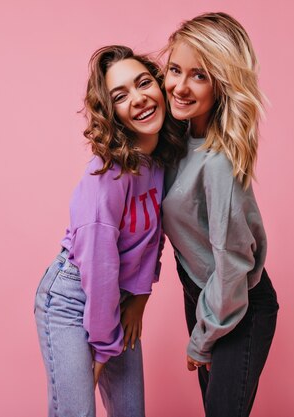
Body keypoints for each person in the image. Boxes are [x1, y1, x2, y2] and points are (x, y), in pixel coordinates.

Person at [34, 45, 184, 417]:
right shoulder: (109, 175)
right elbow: (99, 266)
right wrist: (104, 347)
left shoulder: (159, 160)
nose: (138, 99)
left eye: (144, 83)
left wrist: (139, 298)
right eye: (121, 96)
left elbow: (153, 238)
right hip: (72, 297)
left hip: (116, 300)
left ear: (160, 87)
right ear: (111, 113)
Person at [161, 12, 280, 417]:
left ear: (222, 84)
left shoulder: (217, 163)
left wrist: (203, 337)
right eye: (174, 69)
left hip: (236, 303)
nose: (179, 85)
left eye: (199, 75)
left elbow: (233, 263)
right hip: (203, 294)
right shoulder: (180, 140)